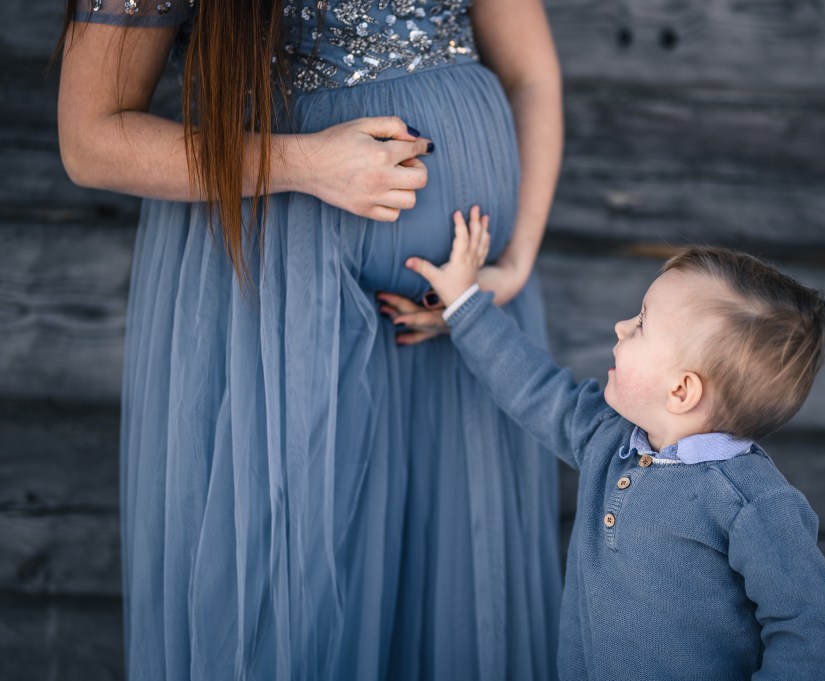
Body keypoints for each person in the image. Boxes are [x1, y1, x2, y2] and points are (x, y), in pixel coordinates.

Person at [56, 1, 563, 679]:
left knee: (456, 603)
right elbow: (90, 139)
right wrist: (302, 164)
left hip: (466, 333)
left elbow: (530, 73)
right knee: (293, 614)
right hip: (278, 311)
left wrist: (515, 260)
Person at [399, 212, 825, 680]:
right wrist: (466, 305)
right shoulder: (607, 437)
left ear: (681, 391)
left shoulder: (750, 503)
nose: (620, 326)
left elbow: (804, 627)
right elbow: (532, 387)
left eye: (642, 324)